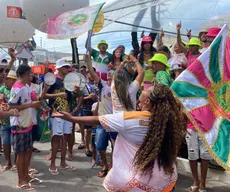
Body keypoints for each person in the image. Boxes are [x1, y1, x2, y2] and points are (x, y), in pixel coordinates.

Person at [52, 84, 186, 191]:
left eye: (147, 89)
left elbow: (97, 119)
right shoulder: (170, 121)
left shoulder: (130, 118)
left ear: (147, 100)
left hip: (132, 182)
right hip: (164, 180)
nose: (144, 88)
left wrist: (71, 118)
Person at [8, 64, 41, 190]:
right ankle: (20, 181)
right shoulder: (17, 88)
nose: (31, 76)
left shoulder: (26, 86)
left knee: (27, 150)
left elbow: (33, 99)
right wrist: (31, 105)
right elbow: (12, 107)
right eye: (30, 73)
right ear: (26, 74)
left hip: (27, 123)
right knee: (21, 154)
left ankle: (26, 176)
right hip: (19, 125)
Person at [85, 53, 115, 177]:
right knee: (100, 147)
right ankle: (105, 166)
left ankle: (112, 169)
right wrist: (88, 62)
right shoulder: (103, 87)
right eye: (108, 75)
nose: (109, 76)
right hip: (102, 121)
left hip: (115, 122)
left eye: (112, 75)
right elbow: (92, 73)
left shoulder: (121, 90)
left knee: (115, 148)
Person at [45, 59, 76, 175]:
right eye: (64, 67)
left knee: (66, 138)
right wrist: (57, 94)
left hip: (67, 113)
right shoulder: (52, 80)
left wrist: (76, 92)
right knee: (56, 138)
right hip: (56, 113)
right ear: (58, 68)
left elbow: (72, 97)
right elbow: (43, 96)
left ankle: (63, 163)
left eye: (67, 67)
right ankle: (52, 164)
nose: (67, 68)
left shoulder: (69, 81)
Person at [0, 70, 17, 171]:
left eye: (8, 79)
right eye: (4, 78)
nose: (5, 80)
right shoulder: (1, 89)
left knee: (15, 143)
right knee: (5, 143)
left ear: (14, 80)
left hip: (15, 121)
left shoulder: (17, 90)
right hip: (4, 121)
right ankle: (8, 162)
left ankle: (16, 162)